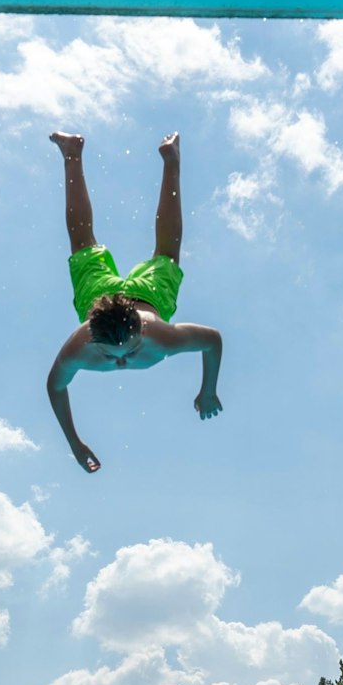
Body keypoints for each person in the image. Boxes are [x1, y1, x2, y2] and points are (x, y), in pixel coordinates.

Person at [43, 131, 224, 474]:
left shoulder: (161, 334)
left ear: (141, 330)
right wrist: (74, 442)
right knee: (164, 253)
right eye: (111, 356)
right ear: (93, 337)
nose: (122, 362)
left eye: (126, 351)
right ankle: (168, 161)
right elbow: (54, 386)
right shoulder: (80, 345)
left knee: (91, 242)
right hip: (100, 299)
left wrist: (209, 389)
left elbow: (212, 340)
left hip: (148, 297)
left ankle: (75, 154)